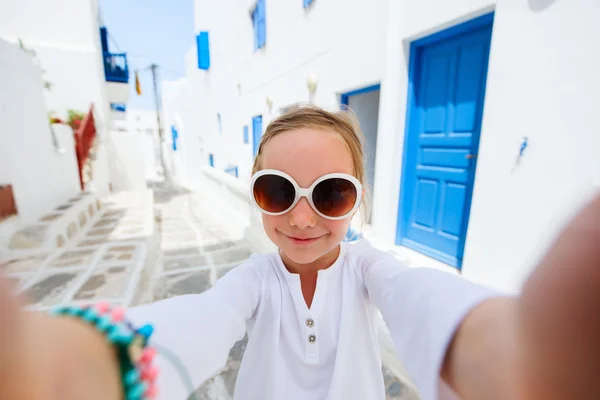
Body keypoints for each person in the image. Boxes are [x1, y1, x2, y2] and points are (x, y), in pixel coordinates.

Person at [1, 105, 599, 400]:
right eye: (277, 191)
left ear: (358, 203)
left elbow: (412, 292)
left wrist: (497, 344)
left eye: (332, 194)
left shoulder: (367, 268)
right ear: (256, 195)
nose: (303, 216)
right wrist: (92, 362)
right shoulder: (255, 279)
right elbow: (208, 318)